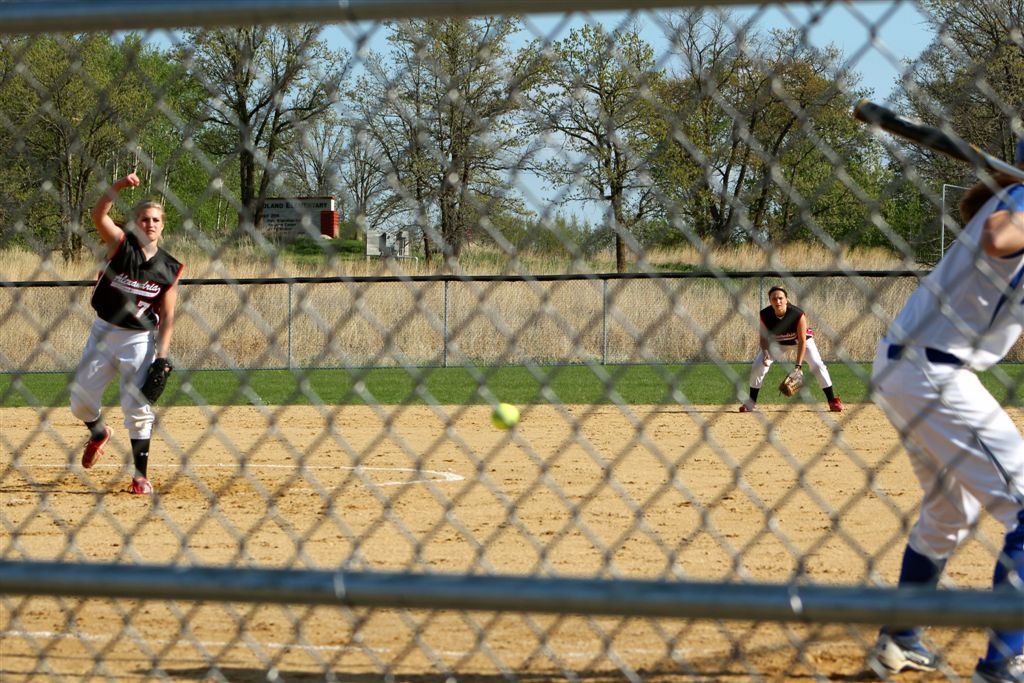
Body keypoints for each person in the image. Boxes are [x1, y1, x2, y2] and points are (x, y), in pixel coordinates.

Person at [868, 139, 1024, 683]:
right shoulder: (1016, 202)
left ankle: (900, 638)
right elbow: (999, 236)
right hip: (934, 372)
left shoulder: (1006, 198)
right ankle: (1004, 663)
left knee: (950, 513)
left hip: (910, 369)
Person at [70, 172, 183, 496]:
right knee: (80, 403)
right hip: (103, 333)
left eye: (156, 220)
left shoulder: (169, 268)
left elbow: (168, 316)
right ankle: (98, 432)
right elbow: (98, 215)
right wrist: (118, 186)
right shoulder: (120, 246)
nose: (150, 224)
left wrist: (162, 358)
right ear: (134, 223)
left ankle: (140, 477)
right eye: (144, 218)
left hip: (138, 340)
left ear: (163, 226)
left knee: (138, 409)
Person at [738, 285, 843, 413]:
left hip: (800, 342)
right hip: (777, 343)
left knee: (817, 364)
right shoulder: (765, 314)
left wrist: (798, 367)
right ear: (770, 300)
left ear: (786, 299)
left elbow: (802, 341)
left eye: (780, 298)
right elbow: (763, 338)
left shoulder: (797, 314)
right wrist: (765, 353)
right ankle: (752, 401)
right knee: (758, 365)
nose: (778, 301)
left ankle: (832, 401)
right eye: (774, 299)